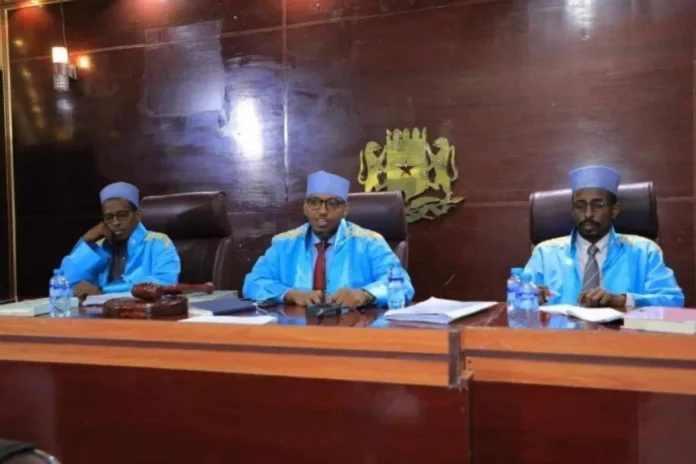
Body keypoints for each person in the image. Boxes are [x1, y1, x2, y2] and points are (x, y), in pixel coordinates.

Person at [243, 171, 415, 307]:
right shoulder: (284, 243)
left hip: (355, 329)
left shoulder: (370, 242)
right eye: (314, 202)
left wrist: (365, 294)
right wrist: (290, 294)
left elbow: (403, 285)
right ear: (305, 208)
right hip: (297, 329)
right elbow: (253, 283)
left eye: (332, 203)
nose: (322, 211)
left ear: (345, 210)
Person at [523, 165, 684, 310]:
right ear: (572, 211)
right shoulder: (545, 253)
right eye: (580, 206)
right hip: (559, 333)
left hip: (623, 333)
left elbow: (673, 300)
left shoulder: (644, 251)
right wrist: (529, 296)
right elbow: (518, 299)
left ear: (614, 210)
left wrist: (623, 300)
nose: (588, 214)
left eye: (598, 205)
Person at [60, 182, 181, 298]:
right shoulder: (99, 247)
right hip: (99, 310)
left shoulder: (158, 242)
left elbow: (164, 284)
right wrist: (86, 240)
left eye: (122, 215)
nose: (115, 222)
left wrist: (103, 292)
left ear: (137, 215)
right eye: (109, 217)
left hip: (144, 311)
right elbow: (65, 283)